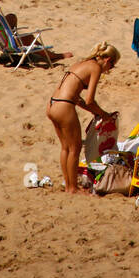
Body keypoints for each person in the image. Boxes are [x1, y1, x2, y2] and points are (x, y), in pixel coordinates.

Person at [46, 43, 120, 194]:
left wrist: (96, 113)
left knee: (65, 148)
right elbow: (89, 100)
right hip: (64, 106)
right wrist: (104, 114)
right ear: (107, 60)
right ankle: (72, 188)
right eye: (112, 66)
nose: (110, 70)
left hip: (52, 104)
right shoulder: (96, 68)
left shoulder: (80, 63)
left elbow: (78, 99)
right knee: (75, 148)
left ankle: (69, 185)